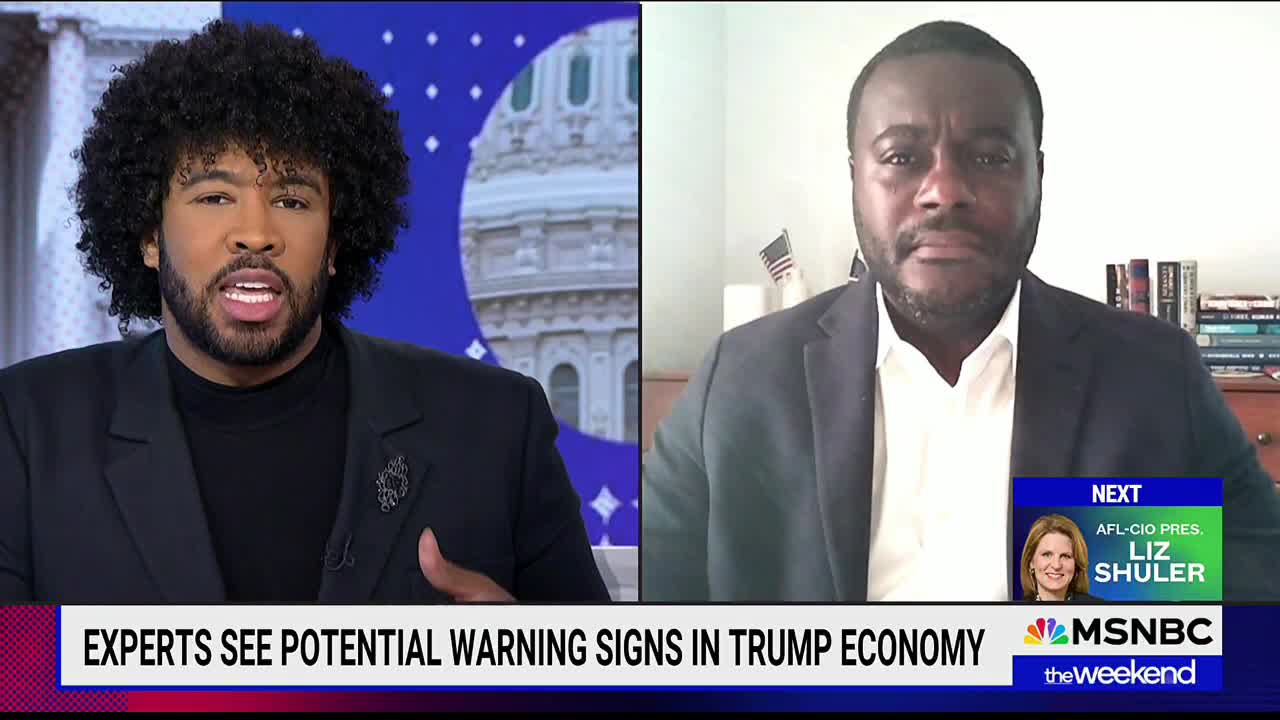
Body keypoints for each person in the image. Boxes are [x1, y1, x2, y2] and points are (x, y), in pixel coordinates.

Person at [641, 19, 1280, 602]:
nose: (944, 190)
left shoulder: (1152, 376)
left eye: (990, 156)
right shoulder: (740, 379)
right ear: (855, 180)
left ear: (1037, 177)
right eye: (900, 157)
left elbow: (1255, 595)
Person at [0, 20, 609, 603]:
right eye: (214, 196)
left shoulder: (497, 424)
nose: (256, 234)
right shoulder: (27, 426)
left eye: (292, 199)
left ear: (337, 242)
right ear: (149, 237)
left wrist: (524, 670)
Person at [1019, 515, 1101, 602]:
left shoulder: (1101, 610)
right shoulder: (1014, 612)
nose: (1056, 565)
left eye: (1065, 556)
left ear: (1076, 564)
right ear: (1031, 562)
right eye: (1047, 555)